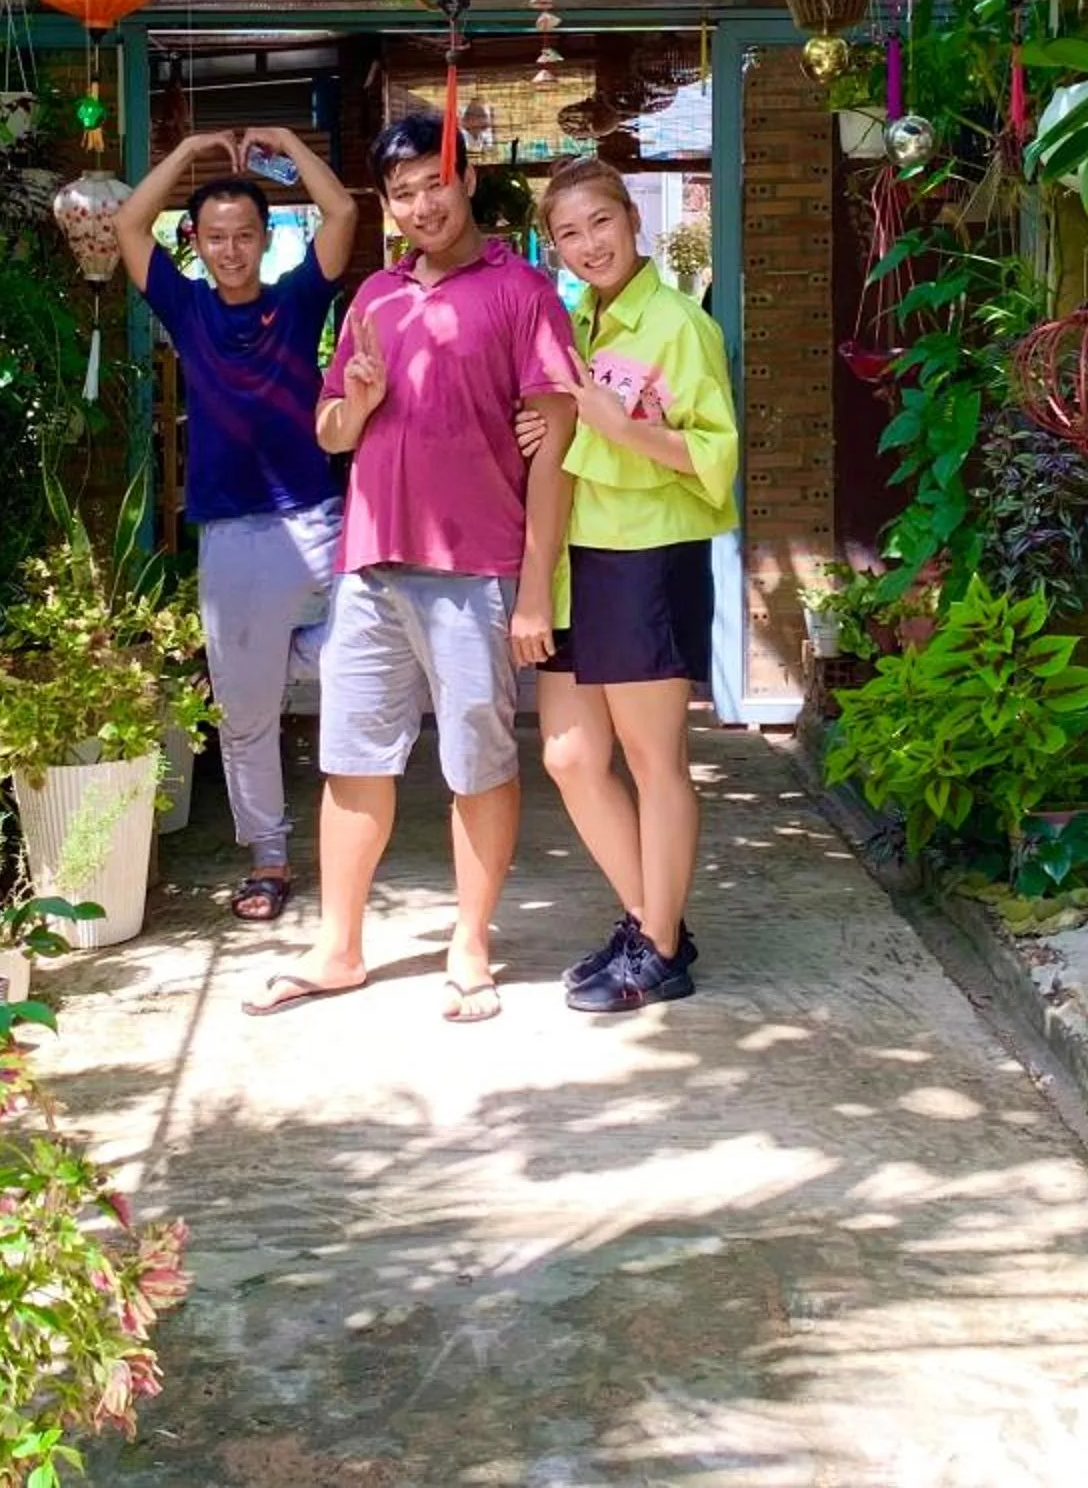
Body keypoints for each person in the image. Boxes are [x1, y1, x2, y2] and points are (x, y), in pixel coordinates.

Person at [244, 110, 578, 1024]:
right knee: (352, 758)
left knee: (477, 763)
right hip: (370, 566)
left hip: (477, 570)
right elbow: (330, 431)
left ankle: (470, 945)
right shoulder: (376, 299)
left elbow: (556, 448)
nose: (421, 204)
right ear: (386, 207)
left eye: (435, 182)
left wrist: (537, 586)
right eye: (402, 193)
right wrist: (356, 405)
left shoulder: (524, 293)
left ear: (465, 179)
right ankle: (338, 948)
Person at [118, 125, 357, 922]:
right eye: (214, 237)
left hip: (318, 523)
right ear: (196, 242)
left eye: (243, 236)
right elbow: (126, 226)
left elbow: (342, 214)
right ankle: (270, 858)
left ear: (264, 239)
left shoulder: (296, 301)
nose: (229, 250)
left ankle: (354, 824)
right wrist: (186, 155)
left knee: (358, 667)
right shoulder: (185, 308)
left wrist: (286, 143)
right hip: (232, 538)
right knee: (245, 715)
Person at [528, 159, 739, 1012]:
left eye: (600, 223)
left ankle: (659, 949)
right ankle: (654, 920)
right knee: (570, 756)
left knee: (656, 764)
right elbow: (570, 434)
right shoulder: (580, 323)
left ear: (633, 220)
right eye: (568, 235)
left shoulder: (680, 325)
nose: (588, 246)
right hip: (583, 560)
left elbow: (717, 459)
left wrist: (628, 431)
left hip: (648, 555)